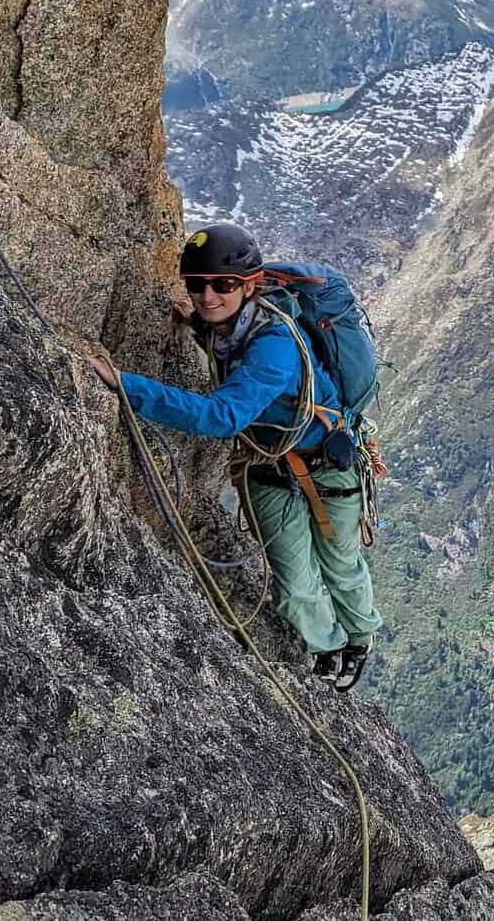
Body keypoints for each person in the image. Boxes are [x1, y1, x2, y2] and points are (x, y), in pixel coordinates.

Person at [88, 222, 381, 690]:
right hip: (269, 466)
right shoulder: (225, 325)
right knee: (294, 582)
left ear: (249, 286)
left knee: (340, 564)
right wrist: (192, 322)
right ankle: (326, 647)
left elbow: (222, 416)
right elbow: (219, 338)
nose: (208, 296)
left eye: (223, 285)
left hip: (327, 463)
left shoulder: (275, 345)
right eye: (197, 284)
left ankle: (359, 639)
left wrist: (127, 385)